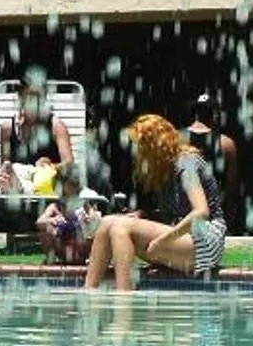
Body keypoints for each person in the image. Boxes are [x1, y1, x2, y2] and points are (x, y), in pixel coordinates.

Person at [85, 113, 224, 290]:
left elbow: (201, 212)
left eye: (140, 147)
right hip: (189, 239)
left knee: (121, 227)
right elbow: (177, 212)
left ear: (154, 145)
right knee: (107, 223)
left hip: (206, 241)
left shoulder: (186, 162)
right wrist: (143, 215)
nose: (137, 154)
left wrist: (164, 240)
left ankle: (123, 300)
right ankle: (89, 294)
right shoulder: (166, 169)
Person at [0, 72, 87, 261]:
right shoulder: (8, 128)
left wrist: (51, 165)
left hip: (49, 195)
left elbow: (70, 165)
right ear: (20, 98)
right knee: (9, 181)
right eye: (30, 97)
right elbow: (6, 165)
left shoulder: (56, 126)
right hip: (21, 193)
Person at [182, 93, 242, 233]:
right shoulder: (226, 144)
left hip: (183, 217)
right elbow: (231, 188)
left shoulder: (178, 139)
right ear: (215, 114)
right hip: (213, 219)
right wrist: (229, 223)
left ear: (195, 113)